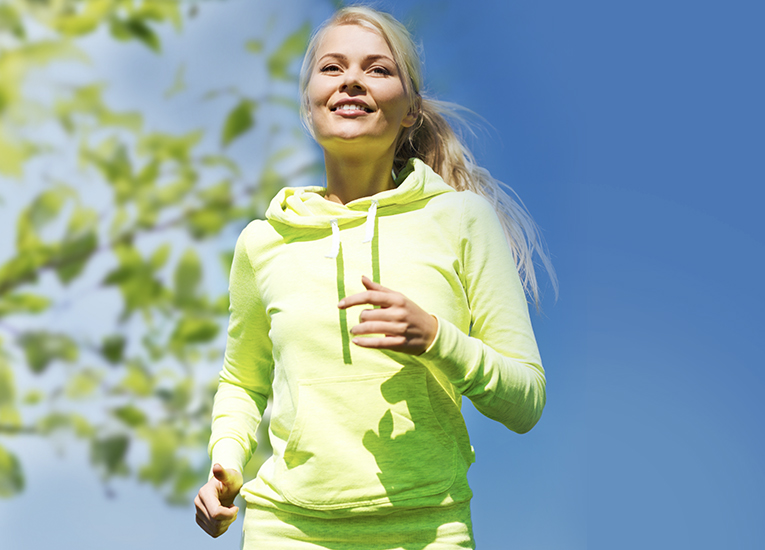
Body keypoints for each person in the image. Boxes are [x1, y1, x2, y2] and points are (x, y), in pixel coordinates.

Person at [193, 6, 551, 549]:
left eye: (378, 69)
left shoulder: (461, 220)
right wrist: (225, 461)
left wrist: (437, 339)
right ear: (309, 103)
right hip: (285, 530)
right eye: (332, 68)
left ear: (410, 110)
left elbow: (525, 402)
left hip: (428, 528)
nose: (352, 80)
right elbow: (243, 381)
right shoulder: (263, 243)